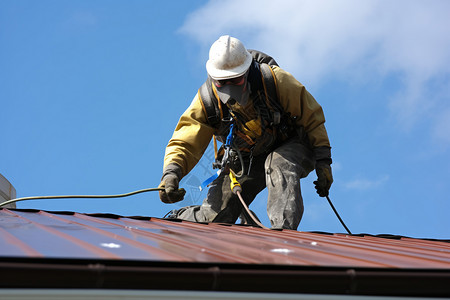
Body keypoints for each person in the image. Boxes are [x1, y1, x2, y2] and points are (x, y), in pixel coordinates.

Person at [159, 35, 333, 230]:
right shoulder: (207, 101)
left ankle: (284, 235)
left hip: (292, 144)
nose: (229, 89)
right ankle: (183, 217)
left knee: (278, 163)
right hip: (246, 157)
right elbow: (185, 140)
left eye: (235, 80)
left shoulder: (276, 81)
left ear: (247, 72)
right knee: (215, 216)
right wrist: (172, 173)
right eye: (222, 83)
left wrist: (323, 161)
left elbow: (312, 118)